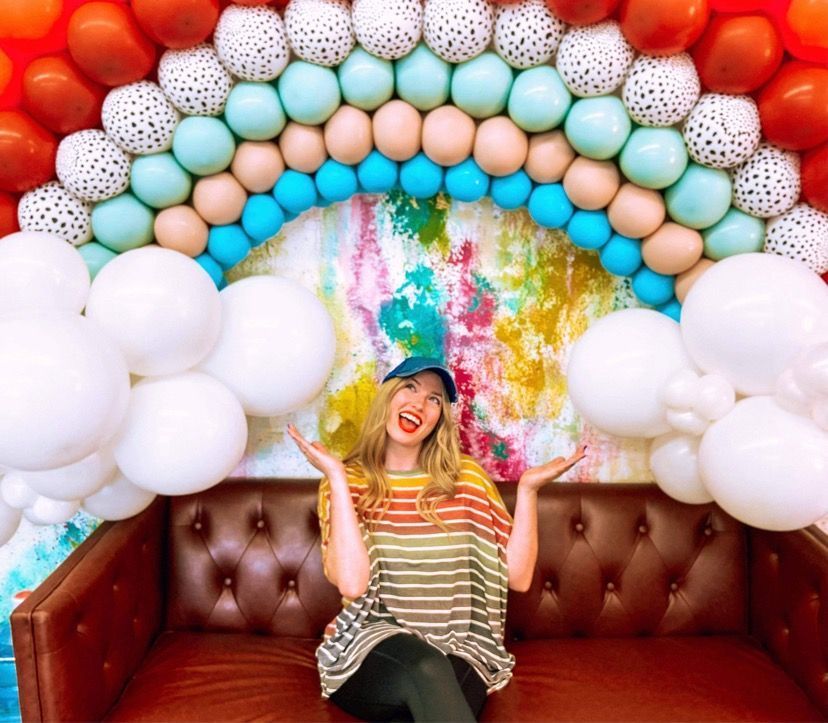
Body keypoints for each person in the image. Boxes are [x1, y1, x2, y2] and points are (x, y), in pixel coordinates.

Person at [287, 356, 586, 722]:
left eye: (434, 399)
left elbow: (518, 577)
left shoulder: (467, 480)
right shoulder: (349, 481)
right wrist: (335, 475)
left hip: (463, 646)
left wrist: (527, 491)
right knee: (427, 669)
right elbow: (351, 581)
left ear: (439, 419)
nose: (419, 403)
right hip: (374, 644)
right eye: (410, 387)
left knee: (429, 699)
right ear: (388, 396)